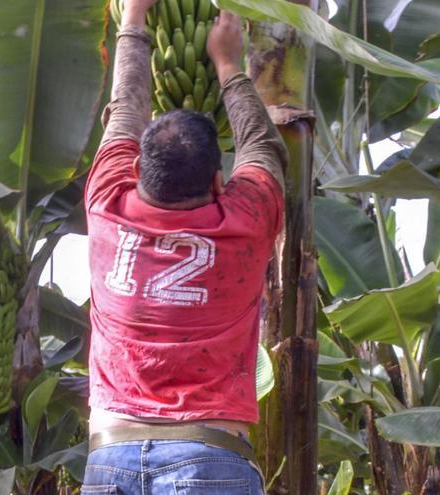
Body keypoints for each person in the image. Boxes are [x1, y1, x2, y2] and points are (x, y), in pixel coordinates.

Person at [82, 0, 287, 493]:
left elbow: (126, 112)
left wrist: (132, 20)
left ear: (135, 171)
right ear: (220, 181)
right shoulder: (246, 221)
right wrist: (228, 64)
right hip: (210, 457)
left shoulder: (107, 202)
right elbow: (262, 144)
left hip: (110, 456)